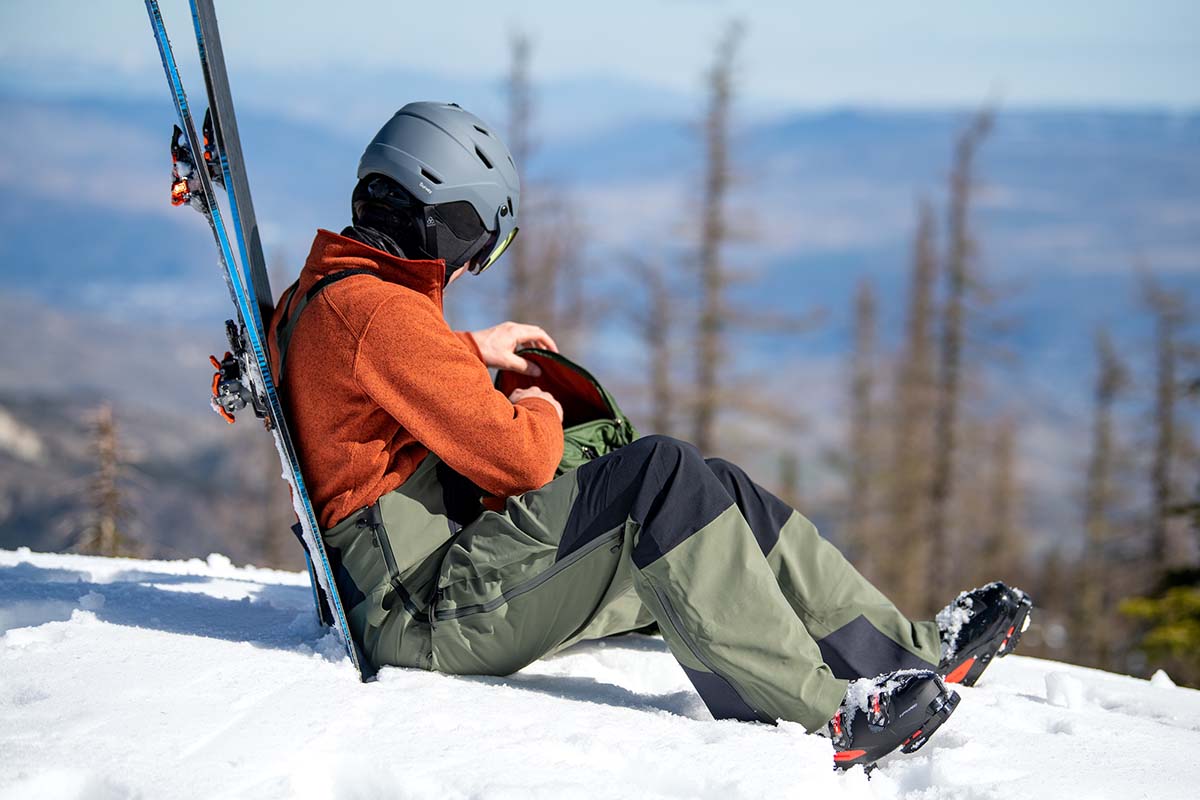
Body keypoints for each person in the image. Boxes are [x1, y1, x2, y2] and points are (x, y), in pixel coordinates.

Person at [268, 102, 1033, 770]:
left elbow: (363, 375)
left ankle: (910, 656)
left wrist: (467, 351)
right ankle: (828, 715)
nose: (470, 265)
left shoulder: (334, 293)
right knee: (658, 476)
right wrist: (538, 402)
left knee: (715, 486)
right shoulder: (382, 315)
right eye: (479, 243)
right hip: (422, 614)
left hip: (430, 583)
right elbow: (524, 458)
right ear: (448, 216)